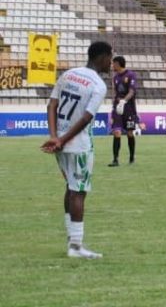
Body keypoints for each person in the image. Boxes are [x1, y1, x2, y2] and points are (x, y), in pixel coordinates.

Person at [41, 41, 112, 259]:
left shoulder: (68, 74)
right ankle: (76, 246)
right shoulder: (98, 85)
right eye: (110, 57)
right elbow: (86, 118)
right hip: (78, 145)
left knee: (71, 187)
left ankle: (71, 239)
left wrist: (55, 136)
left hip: (60, 143)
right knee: (79, 192)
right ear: (102, 58)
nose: (111, 62)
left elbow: (51, 105)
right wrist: (62, 139)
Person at [108, 56, 138, 166]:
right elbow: (116, 94)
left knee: (130, 132)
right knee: (116, 132)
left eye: (113, 64)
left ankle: (131, 157)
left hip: (128, 108)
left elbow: (132, 91)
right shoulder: (115, 77)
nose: (112, 66)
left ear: (118, 64)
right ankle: (115, 160)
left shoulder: (130, 75)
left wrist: (124, 101)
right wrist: (114, 109)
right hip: (118, 108)